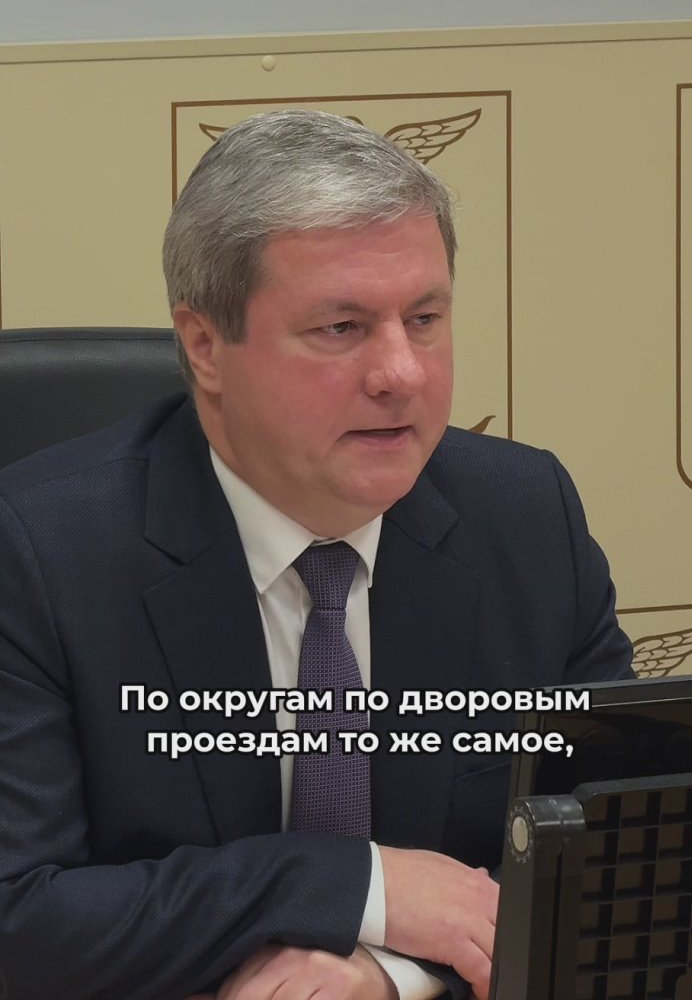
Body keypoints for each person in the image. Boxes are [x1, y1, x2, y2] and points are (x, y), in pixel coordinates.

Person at [0, 109, 633, 1000]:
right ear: (205, 346)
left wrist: (390, 973)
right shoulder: (37, 553)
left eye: (424, 317)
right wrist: (360, 887)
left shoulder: (527, 519)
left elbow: (615, 867)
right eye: (341, 327)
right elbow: (19, 919)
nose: (401, 373)